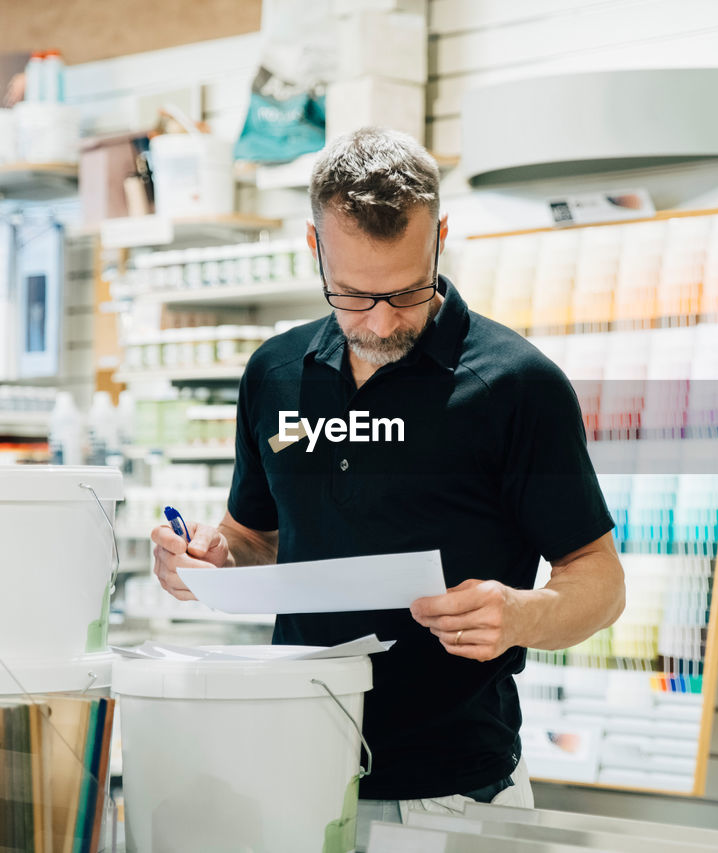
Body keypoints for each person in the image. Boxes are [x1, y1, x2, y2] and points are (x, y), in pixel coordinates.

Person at [150, 127, 625, 843]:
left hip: (455, 786)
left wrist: (521, 614)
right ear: (314, 249)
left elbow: (600, 580)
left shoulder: (518, 386)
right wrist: (208, 559)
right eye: (351, 293)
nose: (378, 321)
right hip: (293, 765)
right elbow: (253, 537)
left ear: (439, 238)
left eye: (404, 292)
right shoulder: (275, 373)